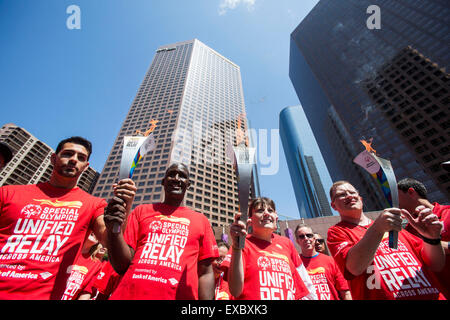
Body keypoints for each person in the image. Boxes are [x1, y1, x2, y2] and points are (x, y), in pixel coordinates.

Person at [0, 136, 135, 299]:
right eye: (68, 154)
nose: (73, 160)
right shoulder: (8, 193)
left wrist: (124, 209)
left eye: (81, 158)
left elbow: (109, 240)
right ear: (53, 158)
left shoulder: (94, 204)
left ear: (86, 166)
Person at [104, 162, 219, 300]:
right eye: (171, 174)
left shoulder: (201, 220)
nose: (176, 178)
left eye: (182, 176)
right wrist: (113, 230)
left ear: (188, 184)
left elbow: (205, 273)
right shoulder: (141, 211)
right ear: (163, 182)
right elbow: (121, 266)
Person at [327, 180, 445, 300]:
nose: (349, 195)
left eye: (352, 192)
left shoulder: (393, 226)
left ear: (361, 199)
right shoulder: (336, 232)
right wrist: (378, 228)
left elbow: (436, 264)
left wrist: (432, 239)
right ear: (333, 206)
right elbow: (354, 267)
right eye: (342, 194)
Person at [222, 197, 313, 300]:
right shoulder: (241, 244)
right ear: (249, 220)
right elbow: (235, 290)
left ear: (276, 217)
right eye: (260, 211)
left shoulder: (286, 243)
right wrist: (237, 248)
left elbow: (304, 285)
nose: (266, 213)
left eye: (270, 210)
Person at [398, 177, 450, 299]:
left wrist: (434, 243)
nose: (393, 202)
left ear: (411, 192)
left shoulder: (448, 212)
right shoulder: (407, 233)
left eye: (396, 196)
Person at [296, 224, 351, 300]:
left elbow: (345, 292)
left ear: (314, 238)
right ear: (297, 241)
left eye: (309, 235)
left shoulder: (331, 261)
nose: (306, 238)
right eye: (301, 236)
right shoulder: (294, 263)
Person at [62, 233, 107, 300]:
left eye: (96, 230)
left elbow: (85, 293)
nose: (94, 232)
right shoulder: (64, 250)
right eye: (92, 228)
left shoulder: (95, 265)